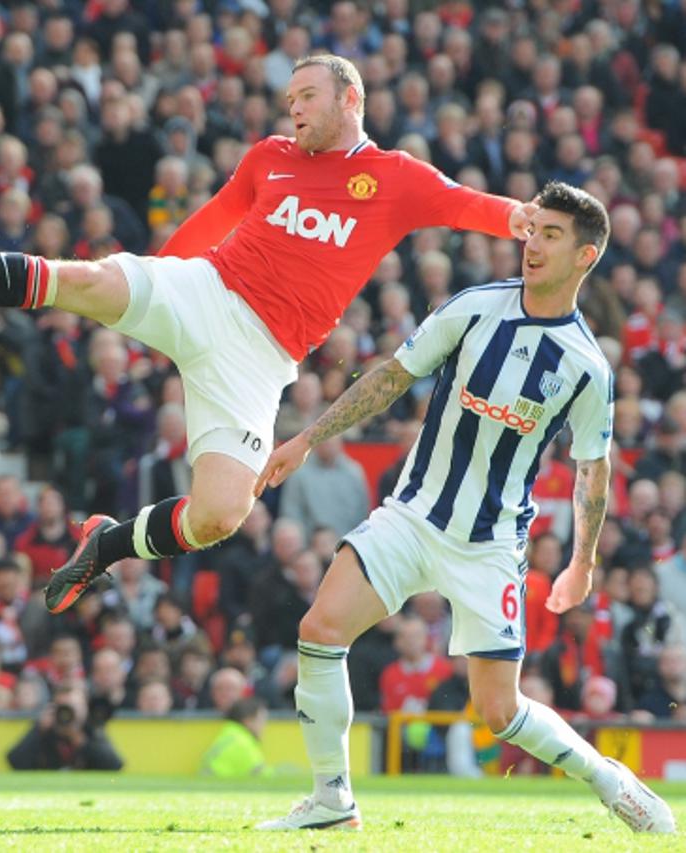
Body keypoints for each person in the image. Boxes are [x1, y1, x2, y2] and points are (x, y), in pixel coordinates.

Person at [0, 55, 536, 615]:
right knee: (96, 283)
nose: (294, 109)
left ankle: (105, 543)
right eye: (288, 99)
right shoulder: (268, 157)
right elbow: (209, 222)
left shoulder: (394, 177)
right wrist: (149, 289)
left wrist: (529, 221)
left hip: (261, 355)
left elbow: (467, 205)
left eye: (307, 96)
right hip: (207, 290)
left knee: (221, 514)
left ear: (349, 98)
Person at [254, 183, 673, 834]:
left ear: (584, 256)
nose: (532, 243)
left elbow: (592, 468)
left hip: (489, 543)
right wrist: (308, 437)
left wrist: (580, 563)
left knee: (498, 710)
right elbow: (393, 374)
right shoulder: (476, 307)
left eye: (552, 235)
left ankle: (609, 780)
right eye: (532, 229)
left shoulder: (587, 366)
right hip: (413, 515)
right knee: (320, 629)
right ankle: (331, 798)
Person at [6, 685, 123, 771]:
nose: (67, 714)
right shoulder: (44, 729)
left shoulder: (90, 728)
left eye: (73, 707)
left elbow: (114, 765)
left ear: (84, 708)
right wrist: (37, 730)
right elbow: (14, 762)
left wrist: (82, 742)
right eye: (62, 708)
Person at [200, 697, 269, 779]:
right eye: (261, 720)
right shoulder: (242, 742)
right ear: (248, 721)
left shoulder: (230, 734)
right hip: (219, 786)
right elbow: (262, 775)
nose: (264, 726)